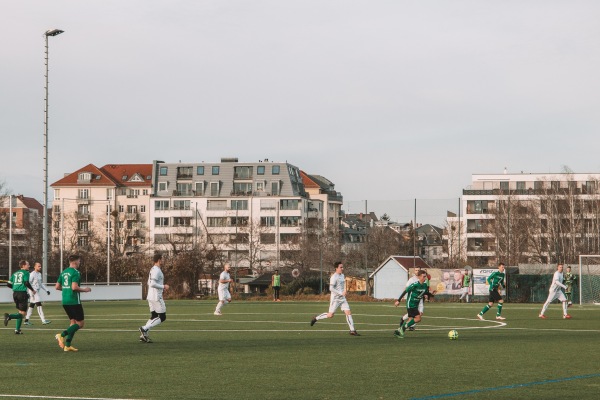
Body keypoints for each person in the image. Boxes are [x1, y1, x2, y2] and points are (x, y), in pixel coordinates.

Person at [310, 261, 359, 336]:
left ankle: (352, 330)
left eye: (342, 267)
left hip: (342, 298)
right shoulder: (334, 277)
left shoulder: (342, 275)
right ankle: (316, 318)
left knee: (348, 312)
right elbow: (331, 288)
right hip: (335, 299)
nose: (342, 268)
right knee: (330, 315)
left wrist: (344, 291)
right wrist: (340, 293)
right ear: (336, 268)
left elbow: (342, 286)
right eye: (341, 267)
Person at [55, 254, 92, 352]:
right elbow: (74, 287)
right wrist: (86, 290)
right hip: (74, 301)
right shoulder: (75, 272)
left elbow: (57, 287)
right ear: (75, 262)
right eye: (79, 261)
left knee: (73, 323)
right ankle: (61, 335)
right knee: (80, 324)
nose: (80, 263)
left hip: (65, 301)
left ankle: (67, 345)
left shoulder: (64, 272)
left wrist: (66, 289)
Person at [139, 253, 169, 343]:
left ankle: (144, 335)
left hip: (150, 296)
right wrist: (163, 286)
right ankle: (144, 328)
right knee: (162, 317)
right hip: (156, 297)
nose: (163, 261)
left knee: (154, 316)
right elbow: (152, 284)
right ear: (159, 260)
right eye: (162, 259)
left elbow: (149, 283)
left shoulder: (152, 269)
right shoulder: (157, 270)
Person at [394, 270, 429, 338]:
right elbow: (405, 291)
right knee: (418, 318)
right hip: (411, 304)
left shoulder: (425, 285)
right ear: (419, 277)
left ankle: (399, 331)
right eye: (423, 276)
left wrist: (428, 295)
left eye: (425, 276)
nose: (425, 278)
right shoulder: (414, 285)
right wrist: (398, 300)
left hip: (416, 304)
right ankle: (402, 328)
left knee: (416, 318)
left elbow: (424, 293)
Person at [3, 260, 35, 334]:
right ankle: (9, 316)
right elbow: (26, 282)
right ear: (23, 266)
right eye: (28, 264)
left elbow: (8, 284)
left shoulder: (15, 273)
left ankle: (17, 330)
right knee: (23, 314)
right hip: (22, 294)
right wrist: (32, 290)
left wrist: (16, 287)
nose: (29, 266)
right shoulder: (26, 273)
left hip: (15, 294)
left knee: (20, 312)